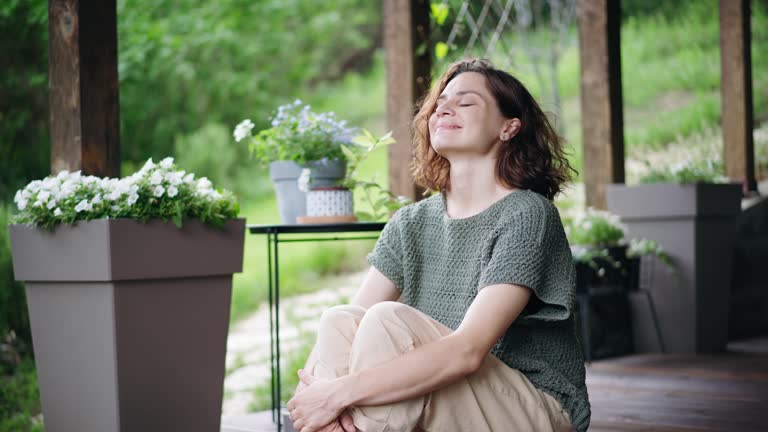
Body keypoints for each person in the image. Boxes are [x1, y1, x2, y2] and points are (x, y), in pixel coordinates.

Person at [286, 59, 590, 432]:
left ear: (508, 127)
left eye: (466, 102)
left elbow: (468, 351)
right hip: (441, 393)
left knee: (387, 319)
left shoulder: (527, 214)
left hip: (529, 406)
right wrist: (316, 399)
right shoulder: (411, 223)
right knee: (340, 320)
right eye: (440, 103)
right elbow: (350, 324)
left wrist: (338, 395)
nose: (443, 108)